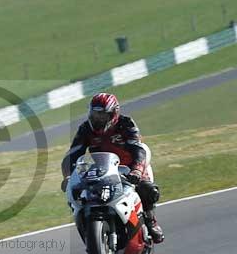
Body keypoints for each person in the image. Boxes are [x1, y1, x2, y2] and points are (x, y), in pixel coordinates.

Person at [60, 93, 164, 243]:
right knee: (79, 192)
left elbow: (137, 149)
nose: (97, 119)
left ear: (113, 114)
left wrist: (136, 170)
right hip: (103, 168)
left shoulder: (126, 123)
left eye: (102, 116)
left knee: (147, 189)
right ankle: (89, 229)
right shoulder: (85, 129)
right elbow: (73, 154)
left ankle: (151, 221)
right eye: (94, 114)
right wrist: (68, 176)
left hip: (129, 167)